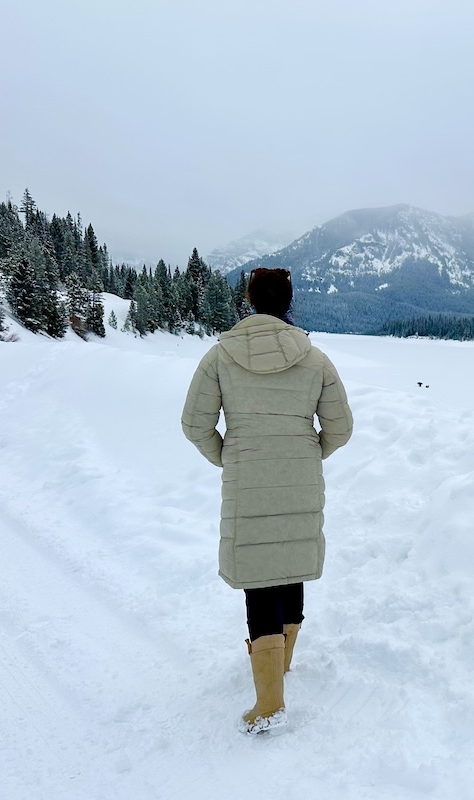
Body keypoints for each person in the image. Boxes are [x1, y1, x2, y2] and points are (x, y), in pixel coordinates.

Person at [181, 268, 353, 733]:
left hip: (247, 478)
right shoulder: (315, 359)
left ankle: (270, 702)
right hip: (298, 475)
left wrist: (228, 456)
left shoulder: (219, 357)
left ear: (250, 299)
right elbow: (341, 428)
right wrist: (309, 451)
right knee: (289, 563)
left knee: (260, 576)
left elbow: (194, 424)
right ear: (289, 301)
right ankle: (282, 665)